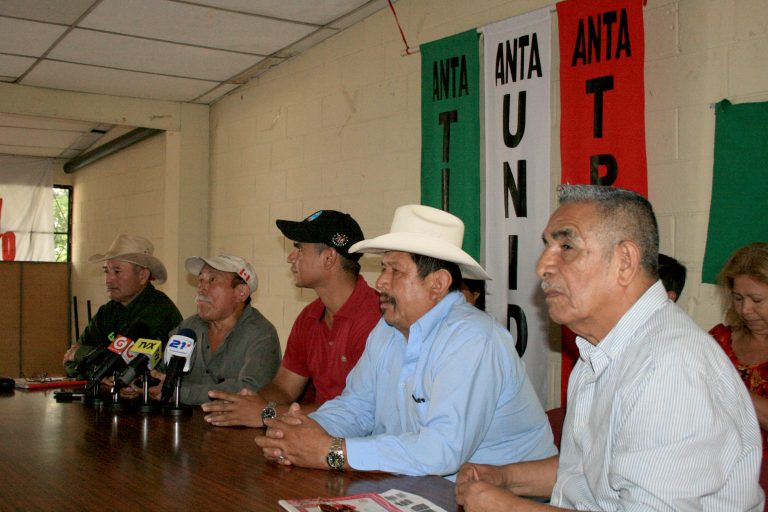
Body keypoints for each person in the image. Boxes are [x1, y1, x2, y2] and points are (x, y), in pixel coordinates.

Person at [455, 185, 763, 511]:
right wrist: (504, 478)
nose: (543, 266)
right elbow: (587, 473)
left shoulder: (669, 366)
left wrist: (507, 507)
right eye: (547, 246)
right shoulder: (600, 350)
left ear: (624, 261)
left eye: (567, 246)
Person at [257, 204, 556, 477]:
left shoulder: (474, 339)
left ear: (437, 284)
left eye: (395, 271)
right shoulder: (387, 330)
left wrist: (331, 452)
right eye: (383, 268)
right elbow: (357, 408)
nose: (380, 282)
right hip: (423, 488)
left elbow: (440, 452)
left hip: (500, 499)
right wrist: (299, 433)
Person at [201, 210, 380, 426]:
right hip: (316, 431)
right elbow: (284, 387)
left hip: (355, 439)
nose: (290, 257)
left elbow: (358, 409)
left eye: (300, 249)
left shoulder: (376, 319)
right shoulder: (309, 316)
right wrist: (246, 404)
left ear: (329, 257)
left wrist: (266, 413)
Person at [138, 254, 281, 405]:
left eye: (212, 280)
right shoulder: (188, 328)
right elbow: (159, 371)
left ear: (241, 292)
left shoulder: (262, 334)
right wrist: (140, 383)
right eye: (200, 279)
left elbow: (251, 391)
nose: (201, 287)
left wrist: (179, 392)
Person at [63, 234, 183, 378]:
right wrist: (99, 375)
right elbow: (69, 363)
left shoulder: (159, 311)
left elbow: (126, 365)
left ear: (143, 276)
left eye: (117, 272)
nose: (108, 279)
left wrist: (81, 355)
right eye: (106, 271)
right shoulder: (107, 312)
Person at [710, 242, 768, 498]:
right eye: (738, 298)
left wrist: (726, 385)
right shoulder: (720, 340)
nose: (745, 309)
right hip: (715, 474)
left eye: (757, 300)